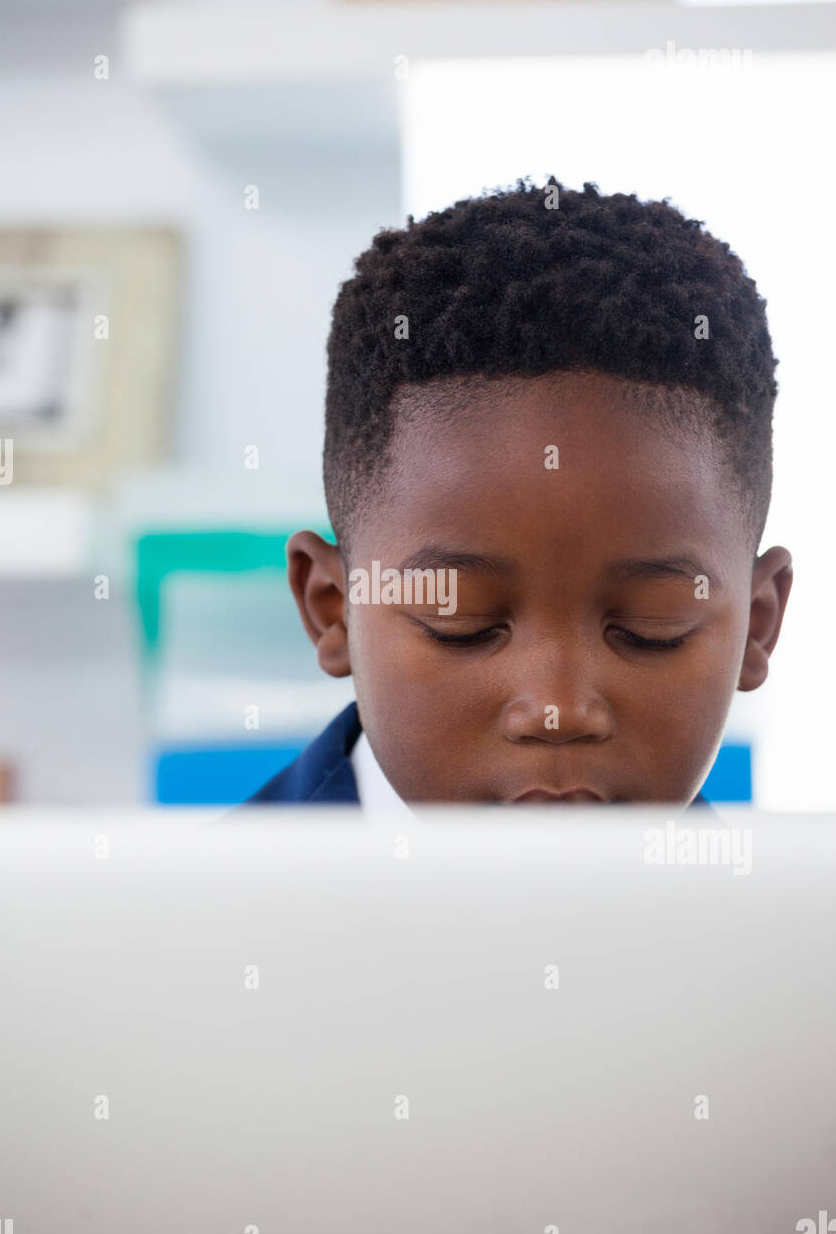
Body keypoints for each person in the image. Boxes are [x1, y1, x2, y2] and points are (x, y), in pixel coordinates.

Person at [247, 177, 792, 808]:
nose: (556, 711)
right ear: (333, 607)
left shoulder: (797, 908)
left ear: (757, 624)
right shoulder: (187, 909)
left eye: (653, 626)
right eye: (462, 623)